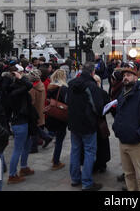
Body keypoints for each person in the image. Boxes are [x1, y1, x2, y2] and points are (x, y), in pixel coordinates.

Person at [112, 65, 140, 191]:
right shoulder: (122, 94)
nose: (125, 78)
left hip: (138, 143)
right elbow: (119, 113)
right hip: (123, 141)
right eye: (124, 76)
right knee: (129, 175)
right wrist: (116, 127)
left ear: (136, 78)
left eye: (129, 75)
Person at [67, 62, 104, 191]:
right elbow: (98, 107)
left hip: (74, 123)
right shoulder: (91, 85)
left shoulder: (71, 83)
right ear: (93, 72)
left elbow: (67, 101)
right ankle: (87, 182)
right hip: (88, 124)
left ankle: (75, 178)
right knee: (89, 152)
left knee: (75, 151)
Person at [7, 65, 37, 184]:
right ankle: (12, 175)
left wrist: (20, 78)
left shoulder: (17, 89)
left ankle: (23, 167)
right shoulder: (14, 91)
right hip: (20, 122)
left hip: (24, 120)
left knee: (27, 144)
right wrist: (20, 77)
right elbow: (29, 85)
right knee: (18, 149)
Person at [45, 69, 69, 170]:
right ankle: (56, 161)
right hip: (60, 115)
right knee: (59, 139)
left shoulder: (50, 87)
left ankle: (55, 157)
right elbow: (67, 102)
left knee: (56, 136)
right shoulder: (63, 88)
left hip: (51, 114)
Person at [27, 69, 52, 153]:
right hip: (40, 109)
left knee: (33, 128)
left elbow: (32, 101)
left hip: (34, 111)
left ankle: (34, 147)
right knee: (36, 127)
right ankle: (46, 137)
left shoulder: (33, 88)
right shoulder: (40, 85)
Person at [92, 74, 111, 173]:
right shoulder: (102, 92)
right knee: (102, 143)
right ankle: (102, 163)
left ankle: (98, 164)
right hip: (100, 121)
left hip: (94, 122)